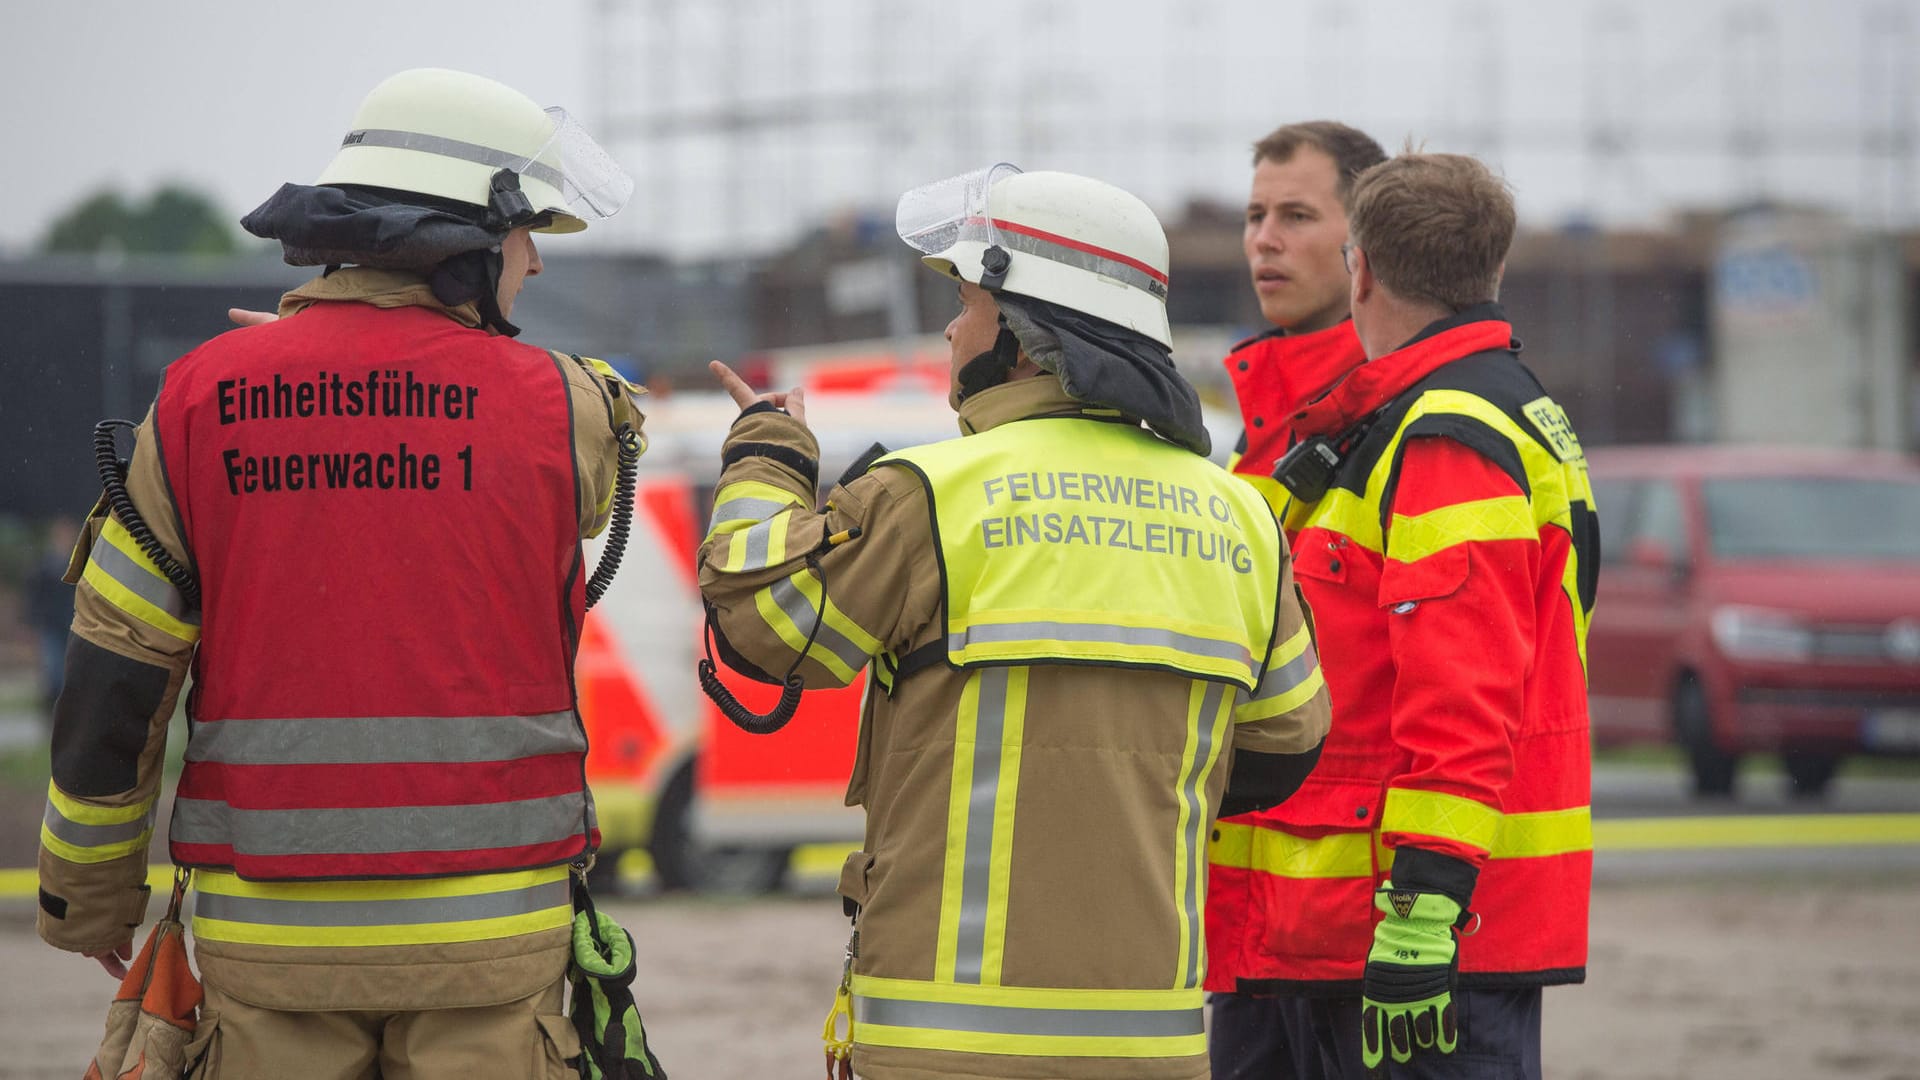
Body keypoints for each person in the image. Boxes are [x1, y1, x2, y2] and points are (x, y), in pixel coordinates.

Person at [36, 68, 642, 1078]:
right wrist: (377, 366)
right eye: (526, 232)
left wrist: (87, 897)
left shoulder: (195, 403)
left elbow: (115, 684)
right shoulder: (560, 402)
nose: (533, 262)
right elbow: (605, 453)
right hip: (490, 949)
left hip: (268, 949)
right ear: (468, 239)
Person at [698, 165, 1332, 1080]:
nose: (954, 326)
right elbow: (1288, 741)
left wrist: (766, 452)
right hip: (1154, 1046)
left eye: (968, 302)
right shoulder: (1242, 517)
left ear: (1031, 336)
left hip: (945, 1046)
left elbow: (766, 620)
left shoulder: (929, 496)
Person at [1246, 151, 1599, 1079]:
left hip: (1420, 932)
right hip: (1411, 920)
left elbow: (1463, 694)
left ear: (1360, 268)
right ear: (1491, 271)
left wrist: (1426, 907)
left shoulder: (1445, 433)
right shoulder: (1488, 408)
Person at [1203, 120, 1387, 1080]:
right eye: (1254, 215)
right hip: (1246, 917)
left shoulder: (1396, 417)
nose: (1263, 240)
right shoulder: (1258, 434)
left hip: (1359, 920)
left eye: (1297, 215)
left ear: (1368, 245)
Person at [24, 516, 80, 715]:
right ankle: (51, 711)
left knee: (69, 669)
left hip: (72, 624)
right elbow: (35, 596)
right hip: (51, 624)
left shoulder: (77, 563)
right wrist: (33, 623)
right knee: (53, 670)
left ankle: (64, 711)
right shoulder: (45, 566)